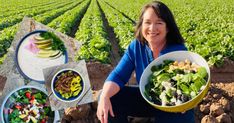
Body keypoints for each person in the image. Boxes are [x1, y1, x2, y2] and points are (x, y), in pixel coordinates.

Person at [96, 1, 195, 123]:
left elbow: (190, 84)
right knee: (106, 96)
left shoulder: (178, 51)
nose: (152, 28)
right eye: (147, 22)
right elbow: (119, 75)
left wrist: (185, 101)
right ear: (141, 25)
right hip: (146, 99)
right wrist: (105, 96)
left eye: (159, 23)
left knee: (179, 115)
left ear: (167, 27)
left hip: (172, 104)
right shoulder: (136, 46)